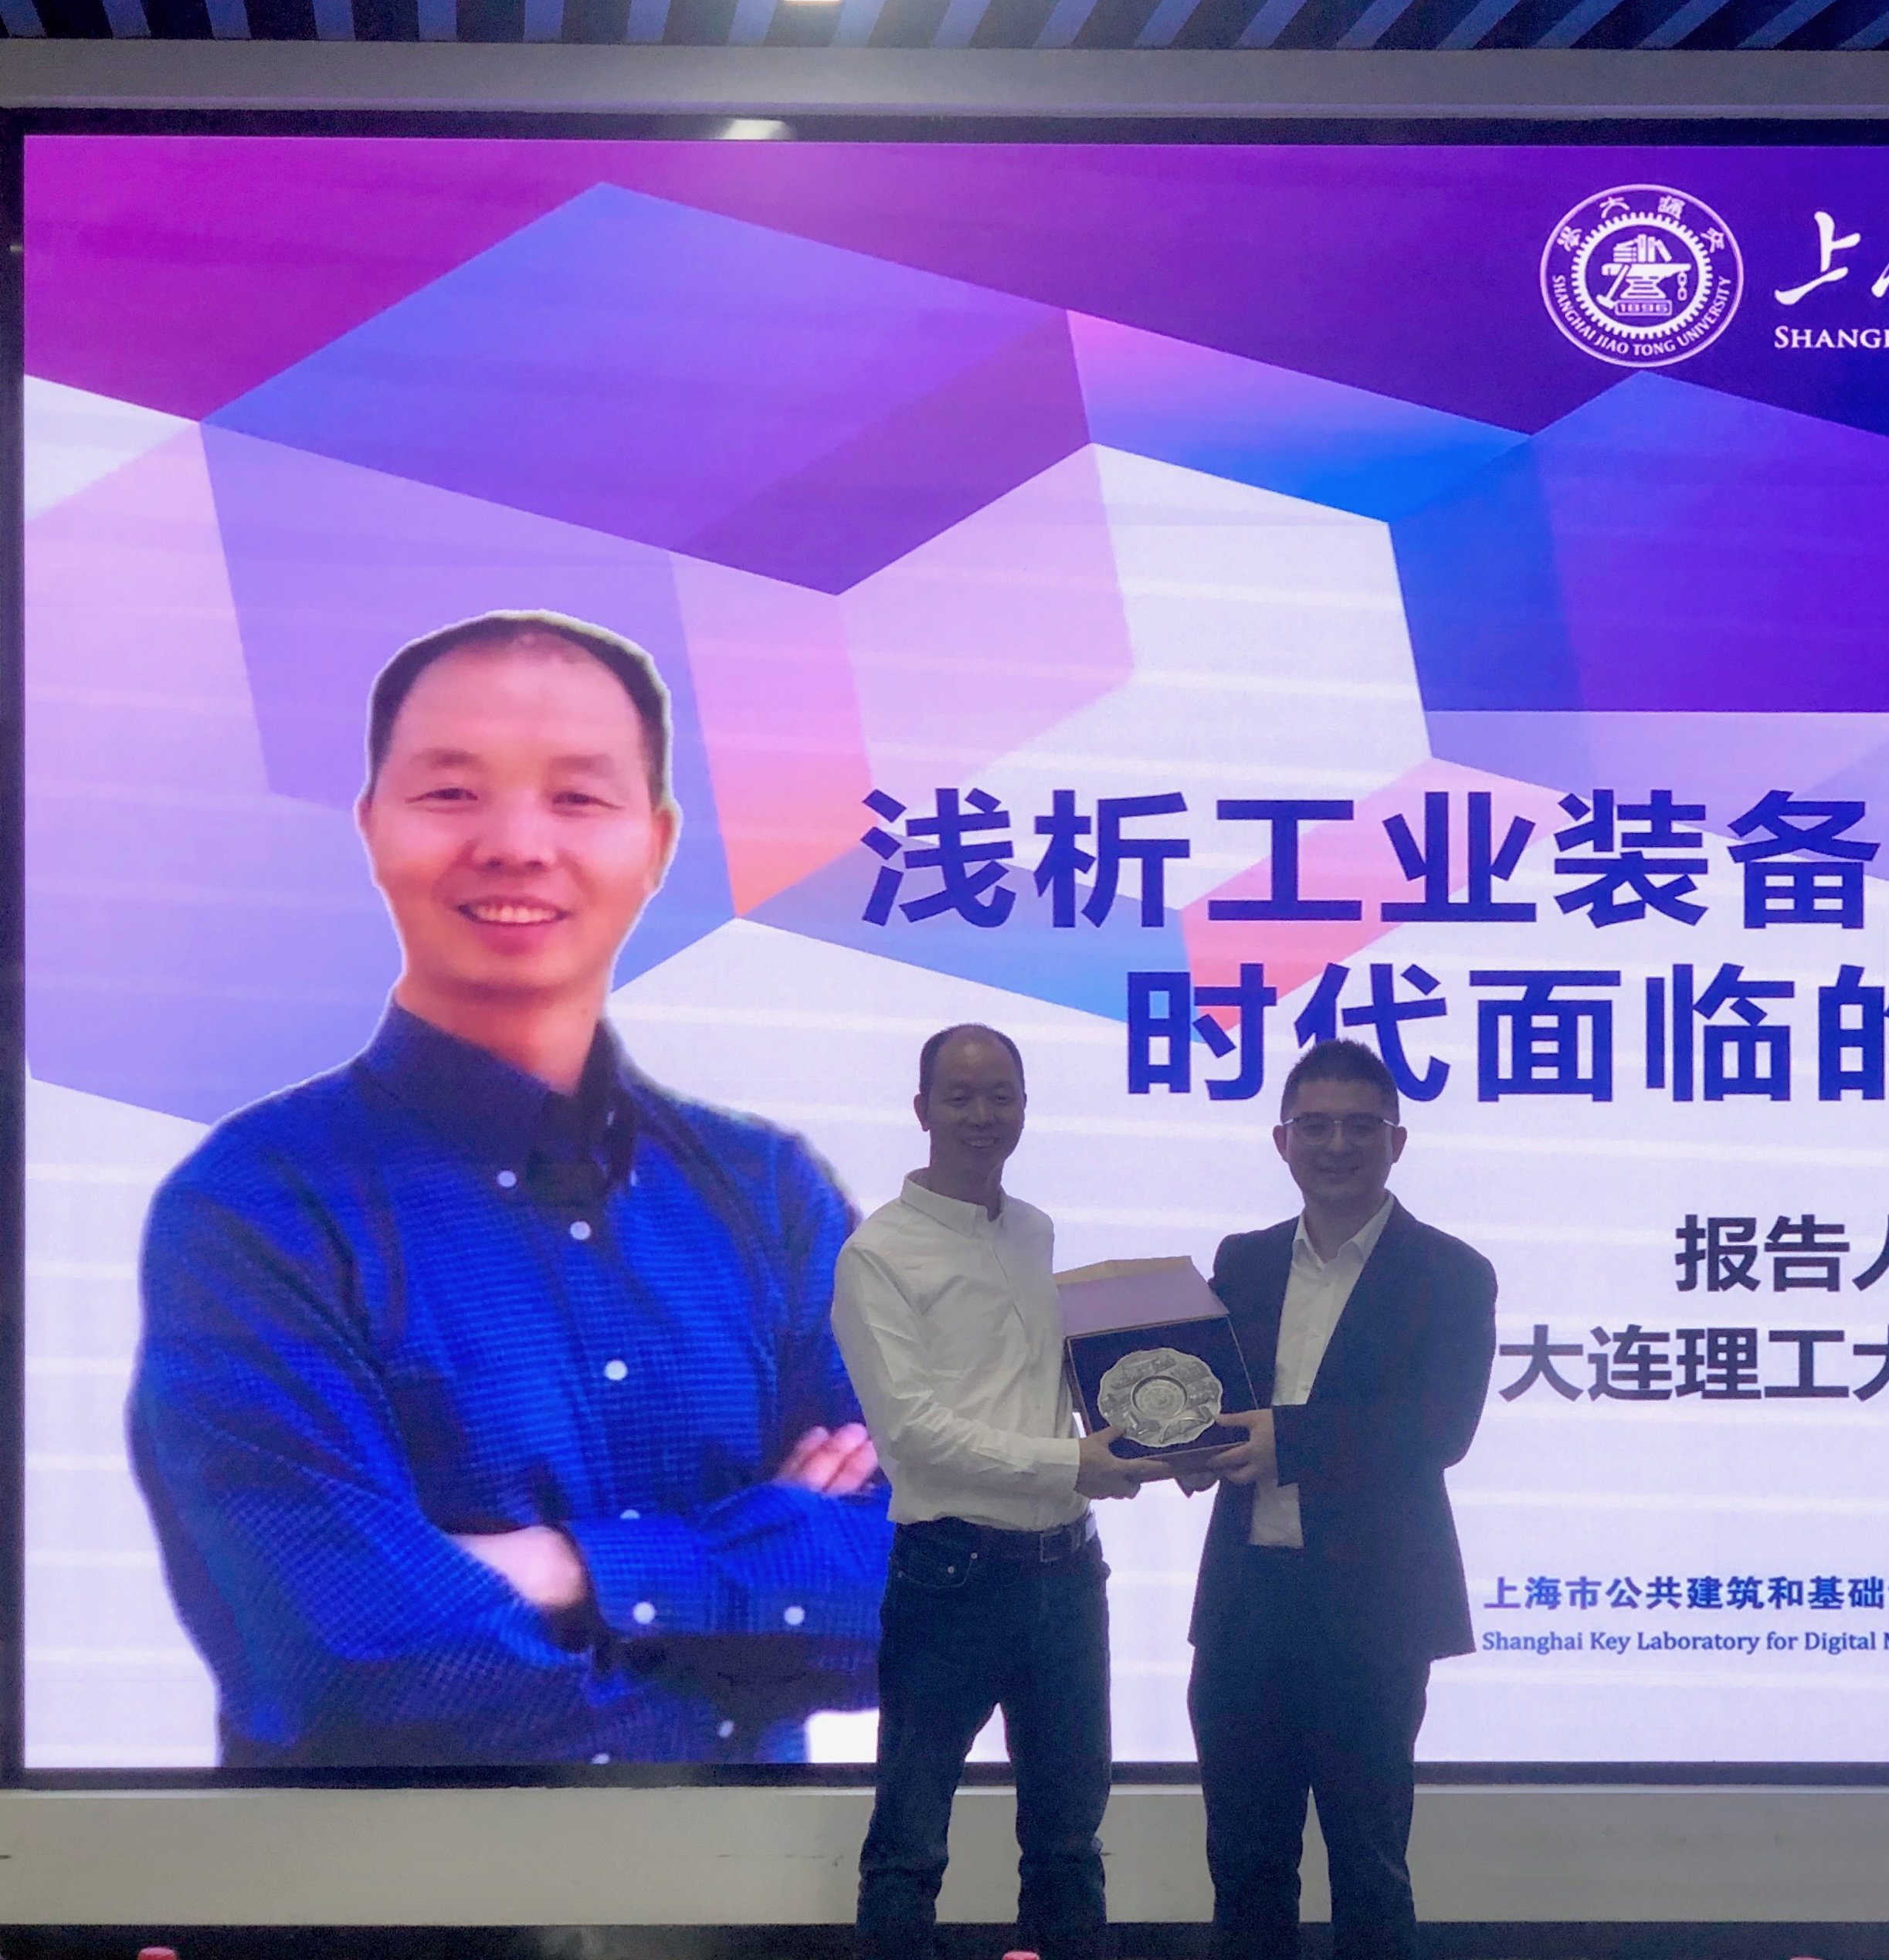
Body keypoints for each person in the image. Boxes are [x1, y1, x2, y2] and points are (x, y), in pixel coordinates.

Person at [129, 610, 890, 1767]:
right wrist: (750, 1600)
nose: (517, 843)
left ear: (657, 843)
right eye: (451, 793)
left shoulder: (772, 1197)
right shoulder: (257, 1209)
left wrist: (564, 1565)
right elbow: (350, 1663)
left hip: (763, 1882)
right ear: (371, 825)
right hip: (398, 1889)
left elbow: (938, 1584)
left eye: (578, 797)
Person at [832, 1022, 1168, 1960]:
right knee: (909, 1842)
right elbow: (912, 1433)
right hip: (953, 1572)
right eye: (960, 1095)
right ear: (921, 1109)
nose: (981, 1114)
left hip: (1067, 1569)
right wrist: (1072, 1462)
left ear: (1024, 1105)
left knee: (1068, 1836)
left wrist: (1155, 1433)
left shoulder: (1032, 1230)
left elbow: (1041, 1384)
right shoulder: (877, 1254)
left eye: (1001, 1095)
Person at [1179, 1037, 1498, 1960]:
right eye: (1314, 1125)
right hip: (1246, 1609)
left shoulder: (1450, 1271)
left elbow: (1438, 1427)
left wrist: (1286, 1437)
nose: (1336, 1144)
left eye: (1360, 1126)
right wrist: (1182, 1446)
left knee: (1368, 1871)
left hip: (1372, 1617)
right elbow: (1209, 1398)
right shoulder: (1242, 1261)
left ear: (1396, 1141)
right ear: (1281, 1139)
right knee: (1243, 1871)